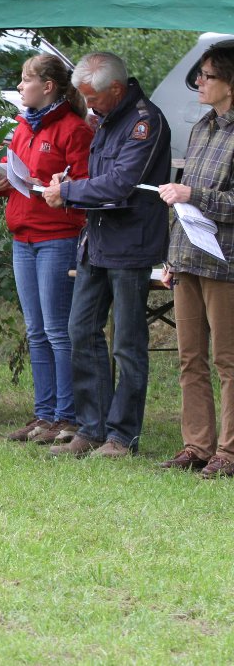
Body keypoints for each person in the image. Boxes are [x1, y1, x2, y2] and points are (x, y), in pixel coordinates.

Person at [43, 51, 171, 458]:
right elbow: (99, 178)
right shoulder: (106, 118)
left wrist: (67, 192)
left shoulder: (143, 121)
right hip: (96, 241)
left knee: (127, 345)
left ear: (115, 89)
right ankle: (91, 429)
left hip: (131, 246)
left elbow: (119, 184)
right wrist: (70, 181)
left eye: (92, 98)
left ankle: (121, 436)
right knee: (81, 332)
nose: (88, 106)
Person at [0, 54, 93, 444]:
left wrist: (57, 190)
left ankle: (66, 416)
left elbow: (85, 186)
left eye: (25, 80)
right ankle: (43, 414)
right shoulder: (22, 128)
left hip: (56, 237)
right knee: (36, 331)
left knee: (57, 330)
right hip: (23, 236)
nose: (19, 86)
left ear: (48, 86)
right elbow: (9, 167)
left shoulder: (73, 129)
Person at [157, 46, 234, 477]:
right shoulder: (202, 127)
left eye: (206, 76)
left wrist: (194, 195)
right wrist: (171, 256)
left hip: (227, 264)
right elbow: (180, 201)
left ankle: (229, 452)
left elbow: (197, 196)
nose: (199, 83)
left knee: (228, 360)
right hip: (187, 258)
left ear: (231, 82)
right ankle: (197, 446)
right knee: (190, 358)